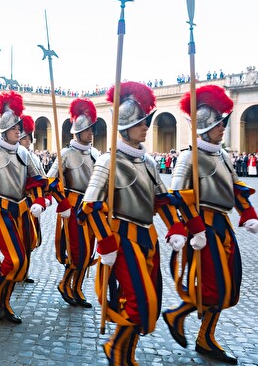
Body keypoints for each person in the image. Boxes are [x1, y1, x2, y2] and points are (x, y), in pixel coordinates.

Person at [79, 82, 186, 365]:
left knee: (145, 299)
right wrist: (105, 241)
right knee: (140, 301)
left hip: (147, 238)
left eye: (146, 122)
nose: (145, 127)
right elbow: (89, 207)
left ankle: (125, 354)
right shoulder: (107, 161)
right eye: (140, 123)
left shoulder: (149, 162)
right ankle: (116, 347)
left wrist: (174, 226)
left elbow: (162, 200)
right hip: (122, 239)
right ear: (125, 126)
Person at [163, 85, 258, 365]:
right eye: (218, 125)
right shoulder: (188, 157)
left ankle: (202, 332)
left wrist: (248, 212)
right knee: (214, 285)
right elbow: (178, 196)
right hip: (203, 229)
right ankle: (186, 322)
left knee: (229, 282)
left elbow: (236, 187)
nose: (223, 129)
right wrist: (193, 228)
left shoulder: (222, 156)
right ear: (206, 127)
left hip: (223, 225)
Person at [0, 91, 47, 324]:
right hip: (2, 212)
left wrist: (39, 201)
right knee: (14, 259)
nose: (18, 131)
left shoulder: (25, 152)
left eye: (19, 127)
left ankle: (3, 300)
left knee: (22, 262)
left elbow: (37, 181)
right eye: (15, 127)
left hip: (23, 212)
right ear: (5, 130)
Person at [47, 97, 100, 308]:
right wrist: (63, 204)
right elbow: (50, 182)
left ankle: (76, 287)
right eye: (87, 130)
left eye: (92, 130)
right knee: (77, 251)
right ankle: (64, 284)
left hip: (90, 206)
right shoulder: (66, 154)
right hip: (72, 206)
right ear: (77, 132)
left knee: (89, 252)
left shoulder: (96, 154)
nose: (91, 133)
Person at [18, 114, 46, 284]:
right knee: (19, 239)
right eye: (25, 137)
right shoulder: (16, 155)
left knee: (30, 238)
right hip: (18, 202)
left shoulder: (34, 157)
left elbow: (41, 178)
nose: (28, 140)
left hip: (31, 202)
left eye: (29, 137)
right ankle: (19, 270)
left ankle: (26, 271)